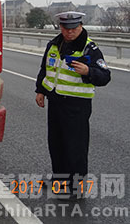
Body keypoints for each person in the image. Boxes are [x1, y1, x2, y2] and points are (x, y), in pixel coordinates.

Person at [35, 11, 111, 194]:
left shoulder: (89, 48)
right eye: (65, 28)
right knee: (56, 143)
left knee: (75, 146)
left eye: (74, 28)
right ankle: (59, 180)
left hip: (76, 105)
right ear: (60, 27)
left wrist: (88, 71)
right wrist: (40, 90)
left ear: (80, 26)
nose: (69, 32)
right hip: (55, 102)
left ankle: (77, 186)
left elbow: (105, 76)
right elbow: (45, 69)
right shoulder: (54, 45)